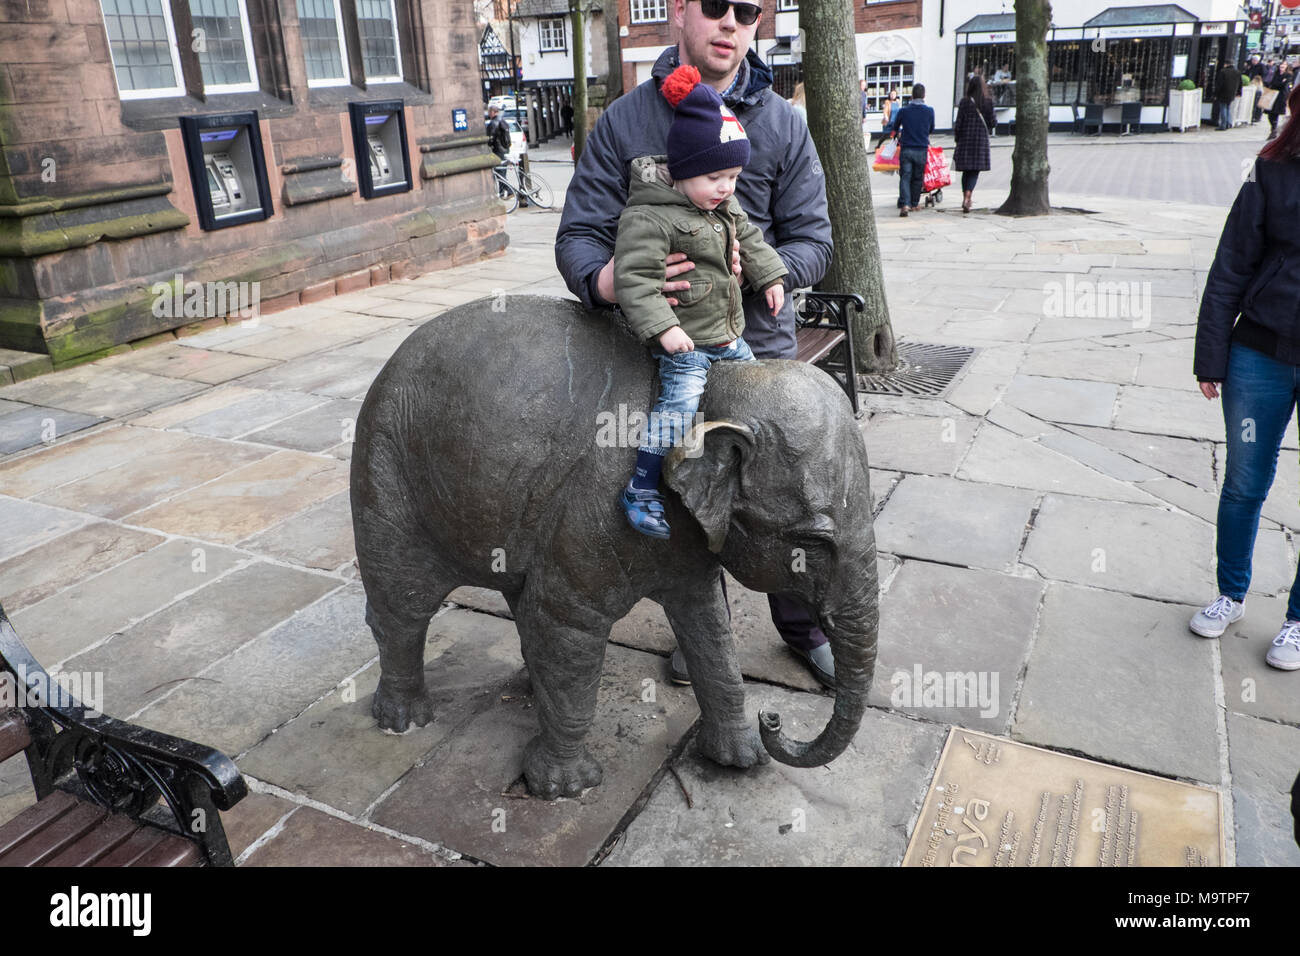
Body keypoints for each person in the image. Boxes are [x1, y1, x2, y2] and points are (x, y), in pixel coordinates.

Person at [554, 0, 837, 688]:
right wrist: (608, 279)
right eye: (714, 5)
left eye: (748, 9)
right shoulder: (626, 121)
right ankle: (700, 629)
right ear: (678, 11)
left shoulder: (781, 124)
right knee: (684, 496)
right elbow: (577, 238)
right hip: (657, 353)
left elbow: (815, 240)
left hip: (755, 352)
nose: (731, 21)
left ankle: (800, 625)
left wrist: (766, 273)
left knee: (782, 499)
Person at [615, 65, 788, 539]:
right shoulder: (649, 218)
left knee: (754, 391)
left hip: (729, 335)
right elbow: (635, 280)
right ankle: (643, 486)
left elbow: (749, 236)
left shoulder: (719, 204)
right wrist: (666, 330)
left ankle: (747, 472)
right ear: (684, 168)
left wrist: (769, 274)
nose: (727, 187)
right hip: (687, 344)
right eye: (716, 176)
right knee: (680, 405)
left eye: (733, 175)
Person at [1191, 81, 1300, 672]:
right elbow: (1231, 262)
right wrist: (1211, 355)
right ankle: (1231, 593)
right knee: (1244, 482)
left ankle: (1298, 621)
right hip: (1258, 352)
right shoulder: (1271, 169)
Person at [886, 81, 934, 217]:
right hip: (921, 149)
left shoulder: (904, 111)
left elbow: (895, 128)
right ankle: (914, 203)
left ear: (912, 96)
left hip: (906, 148)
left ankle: (905, 204)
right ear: (924, 96)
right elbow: (932, 129)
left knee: (905, 177)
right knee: (918, 178)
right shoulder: (929, 111)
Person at [953, 74, 993, 214]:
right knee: (974, 171)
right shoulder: (987, 102)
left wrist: (957, 139)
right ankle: (969, 195)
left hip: (965, 140)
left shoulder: (964, 102)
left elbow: (958, 124)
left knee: (966, 171)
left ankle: (965, 196)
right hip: (980, 142)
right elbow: (992, 122)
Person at [1266, 61, 1293, 141]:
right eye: (1281, 65)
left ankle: (1274, 130)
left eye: (1284, 65)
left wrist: (1280, 83)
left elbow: (1284, 85)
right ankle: (1273, 128)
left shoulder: (1288, 75)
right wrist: (1280, 82)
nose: (1282, 67)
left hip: (1281, 96)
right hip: (1273, 94)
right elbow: (1273, 83)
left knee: (1276, 113)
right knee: (1270, 114)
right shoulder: (1276, 74)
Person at [1215, 60, 1241, 130]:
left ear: (1226, 64)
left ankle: (1223, 125)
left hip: (1223, 92)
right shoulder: (1237, 72)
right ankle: (1228, 123)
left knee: (1223, 107)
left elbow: (1219, 84)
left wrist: (1216, 93)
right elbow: (1240, 83)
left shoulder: (1223, 72)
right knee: (1228, 107)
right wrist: (1239, 92)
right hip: (1232, 93)